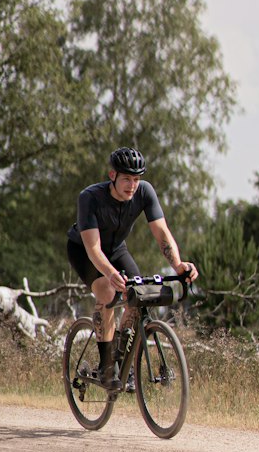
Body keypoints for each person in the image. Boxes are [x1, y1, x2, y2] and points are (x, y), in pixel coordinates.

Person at [66, 146, 197, 389]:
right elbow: (94, 249)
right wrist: (111, 274)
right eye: (127, 178)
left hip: (116, 248)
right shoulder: (90, 197)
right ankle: (106, 367)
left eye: (137, 179)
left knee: (140, 298)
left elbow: (162, 233)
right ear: (112, 175)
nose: (132, 185)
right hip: (84, 250)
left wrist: (178, 265)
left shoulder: (144, 192)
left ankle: (120, 356)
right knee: (107, 292)